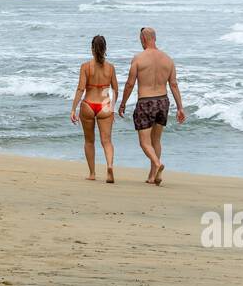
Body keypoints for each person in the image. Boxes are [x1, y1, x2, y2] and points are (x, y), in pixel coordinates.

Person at [117, 27, 186, 186]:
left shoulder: (138, 59)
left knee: (144, 142)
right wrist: (180, 107)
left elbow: (129, 84)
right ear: (155, 38)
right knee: (156, 140)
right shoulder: (168, 59)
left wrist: (123, 103)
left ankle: (156, 163)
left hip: (145, 102)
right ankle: (152, 175)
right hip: (163, 101)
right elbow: (174, 85)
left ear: (143, 39)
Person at [70, 35, 119, 182]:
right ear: (105, 49)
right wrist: (113, 108)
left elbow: (80, 88)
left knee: (89, 141)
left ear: (92, 49)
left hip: (88, 105)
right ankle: (109, 166)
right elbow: (115, 90)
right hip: (105, 106)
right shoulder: (110, 68)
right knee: (107, 141)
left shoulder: (85, 67)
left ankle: (92, 173)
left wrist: (73, 109)